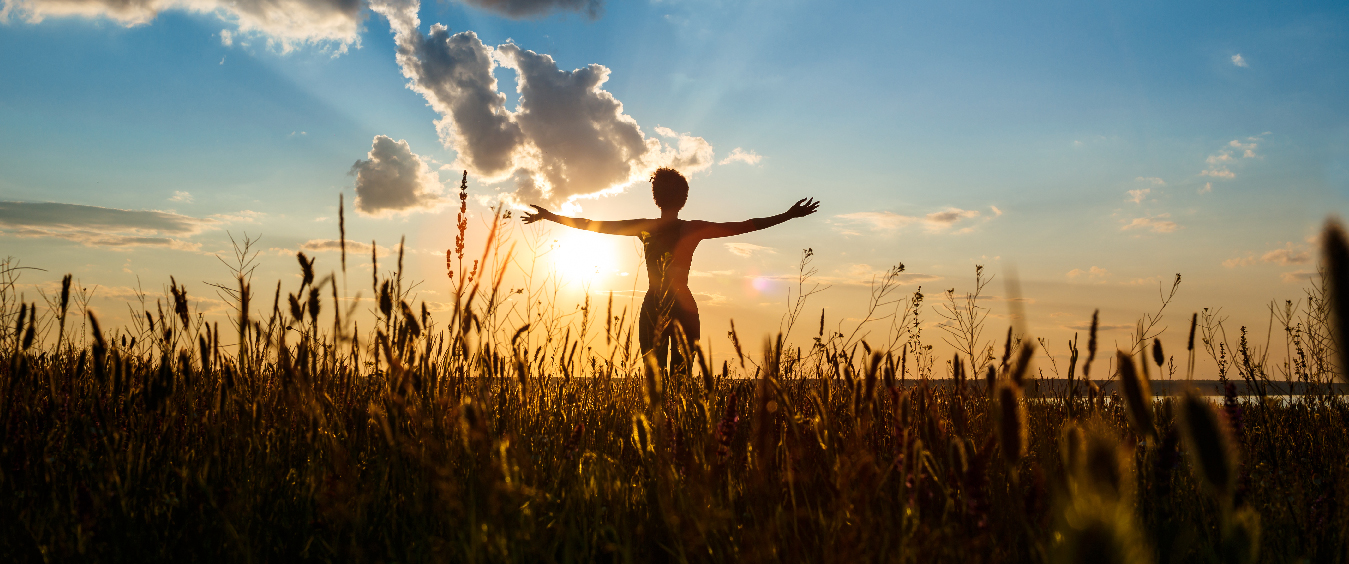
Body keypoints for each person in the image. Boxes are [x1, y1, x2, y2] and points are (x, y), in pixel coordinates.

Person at [522, 167, 820, 375]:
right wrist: (788, 215)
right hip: (684, 306)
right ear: (684, 199)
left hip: (653, 303)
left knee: (654, 374)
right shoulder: (692, 229)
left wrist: (550, 216)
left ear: (656, 198)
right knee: (681, 375)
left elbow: (591, 224)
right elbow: (745, 225)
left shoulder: (645, 228)